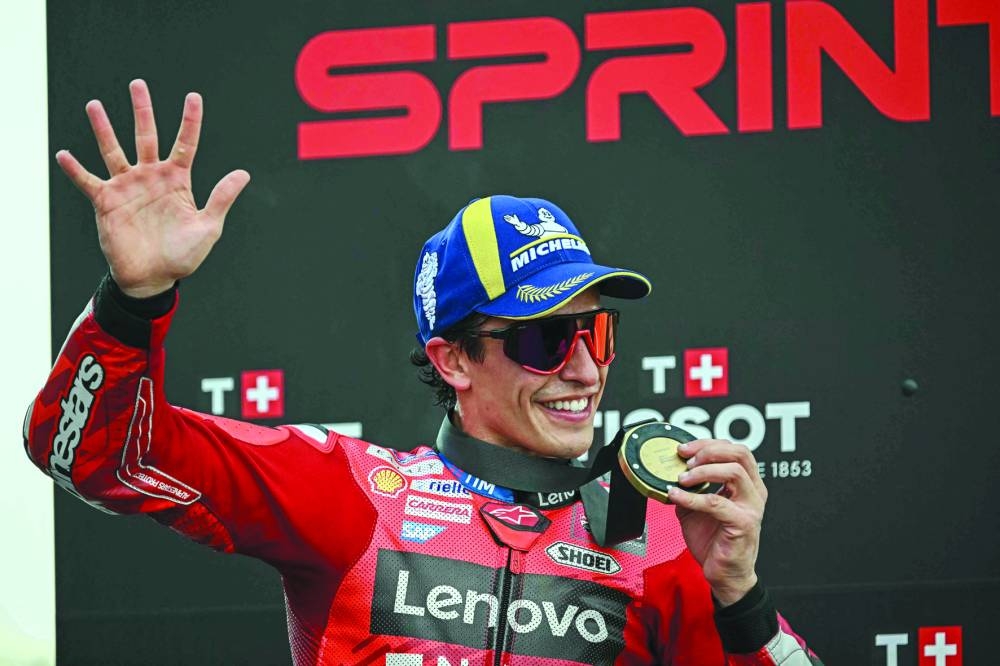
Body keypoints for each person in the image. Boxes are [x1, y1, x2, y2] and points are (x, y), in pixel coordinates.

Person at [24, 80, 822, 665]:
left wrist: (741, 598)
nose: (583, 366)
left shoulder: (659, 544)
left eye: (597, 332)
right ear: (452, 358)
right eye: (545, 339)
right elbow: (84, 450)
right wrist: (135, 302)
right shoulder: (351, 496)